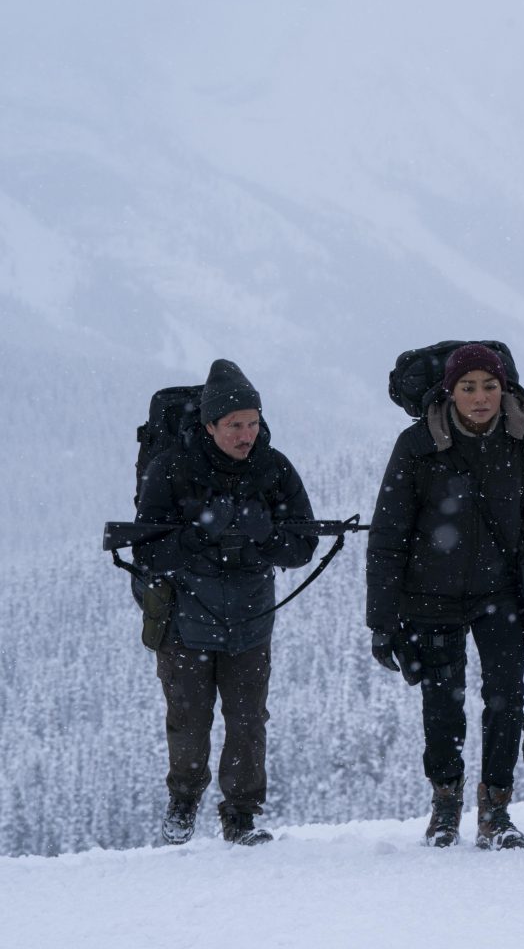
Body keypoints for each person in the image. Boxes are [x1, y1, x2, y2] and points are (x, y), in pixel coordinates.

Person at [366, 342, 524, 849]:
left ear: (504, 389)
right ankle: (445, 805)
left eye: (489, 387)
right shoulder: (417, 444)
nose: (480, 398)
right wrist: (382, 621)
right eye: (468, 387)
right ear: (450, 391)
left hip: (504, 595)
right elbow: (388, 535)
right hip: (430, 598)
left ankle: (495, 809)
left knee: (506, 700)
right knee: (442, 706)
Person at [134, 359, 318, 846]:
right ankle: (184, 800)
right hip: (183, 619)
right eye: (234, 425)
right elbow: (146, 551)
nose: (246, 435)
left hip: (251, 618)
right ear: (209, 425)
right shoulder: (171, 469)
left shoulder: (274, 469)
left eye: (253, 423)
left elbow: (303, 547)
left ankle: (240, 814)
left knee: (247, 719)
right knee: (188, 717)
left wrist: (266, 535)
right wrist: (198, 536)